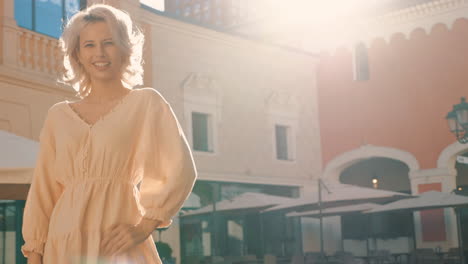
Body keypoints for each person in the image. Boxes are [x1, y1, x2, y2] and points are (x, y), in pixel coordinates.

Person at [21, 4, 197, 264]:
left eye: (108, 42)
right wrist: (35, 254)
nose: (99, 53)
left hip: (118, 243)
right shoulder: (58, 116)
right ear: (77, 53)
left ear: (125, 48)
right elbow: (43, 191)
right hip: (64, 243)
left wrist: (144, 226)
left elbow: (180, 168)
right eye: (89, 45)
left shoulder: (146, 103)